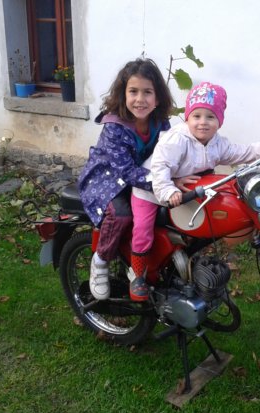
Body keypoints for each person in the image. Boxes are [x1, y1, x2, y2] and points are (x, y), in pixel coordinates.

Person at [130, 81, 260, 299]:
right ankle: (138, 275)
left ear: (219, 121)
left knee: (190, 232)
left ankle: (180, 271)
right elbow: (160, 167)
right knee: (143, 230)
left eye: (210, 117)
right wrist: (168, 191)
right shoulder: (177, 139)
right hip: (150, 192)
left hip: (183, 192)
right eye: (196, 116)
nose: (203, 123)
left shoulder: (217, 143)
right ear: (187, 118)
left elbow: (242, 152)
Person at [77, 58, 173, 302]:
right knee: (121, 214)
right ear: (123, 94)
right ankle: (100, 261)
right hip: (107, 180)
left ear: (158, 98)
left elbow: (170, 153)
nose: (140, 99)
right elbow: (126, 171)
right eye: (133, 91)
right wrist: (164, 184)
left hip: (143, 177)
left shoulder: (160, 123)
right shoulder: (115, 126)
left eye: (147, 92)